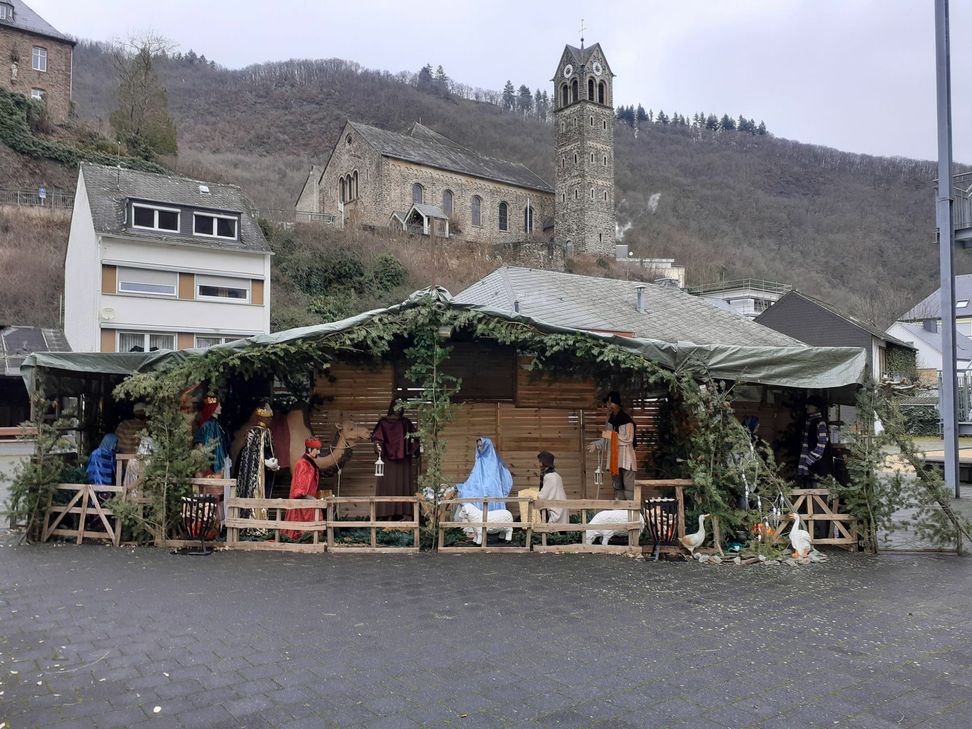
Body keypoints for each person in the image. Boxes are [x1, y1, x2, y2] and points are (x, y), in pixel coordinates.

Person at [371, 403, 419, 520]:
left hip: (402, 462)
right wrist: (378, 447)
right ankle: (388, 514)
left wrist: (414, 449)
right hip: (389, 461)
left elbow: (415, 438)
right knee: (389, 487)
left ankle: (404, 514)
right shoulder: (384, 422)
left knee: (399, 485)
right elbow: (377, 439)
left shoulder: (406, 423)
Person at [588, 391, 637, 500]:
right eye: (607, 404)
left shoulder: (626, 420)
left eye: (610, 403)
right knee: (617, 487)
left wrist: (612, 435)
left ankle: (631, 513)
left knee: (629, 488)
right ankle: (620, 512)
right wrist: (596, 445)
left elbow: (628, 439)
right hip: (614, 460)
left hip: (626, 459)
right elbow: (607, 439)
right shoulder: (610, 421)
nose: (608, 406)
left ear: (617, 404)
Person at [236, 402, 280, 500]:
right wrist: (265, 461)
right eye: (268, 418)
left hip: (265, 470)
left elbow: (268, 450)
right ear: (262, 418)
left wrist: (272, 462)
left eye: (270, 418)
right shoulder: (255, 432)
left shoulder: (267, 432)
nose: (270, 420)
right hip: (256, 472)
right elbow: (251, 454)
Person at [457, 437, 513, 511]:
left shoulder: (496, 460)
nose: (479, 448)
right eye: (478, 446)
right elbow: (474, 476)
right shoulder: (479, 460)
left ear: (487, 446)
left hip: (493, 491)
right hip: (480, 491)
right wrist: (466, 486)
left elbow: (506, 476)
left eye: (481, 446)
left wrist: (504, 492)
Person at [282, 438, 322, 541]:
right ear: (309, 449)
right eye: (316, 449)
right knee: (301, 526)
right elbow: (300, 486)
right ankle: (302, 535)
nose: (319, 452)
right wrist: (309, 497)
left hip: (309, 500)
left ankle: (310, 536)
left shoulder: (309, 463)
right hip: (303, 501)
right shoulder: (303, 464)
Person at [797, 396, 832, 485]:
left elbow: (821, 445)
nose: (806, 407)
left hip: (819, 467)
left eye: (809, 405)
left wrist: (809, 460)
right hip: (811, 468)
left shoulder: (820, 423)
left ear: (816, 407)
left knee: (819, 493)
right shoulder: (809, 422)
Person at [193, 396, 230, 477]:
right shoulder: (207, 426)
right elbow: (200, 444)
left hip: (220, 462)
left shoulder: (218, 425)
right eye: (218, 405)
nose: (220, 407)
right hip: (210, 465)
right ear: (213, 408)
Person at [537, 450, 568, 524]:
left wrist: (531, 494)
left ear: (544, 463)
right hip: (562, 508)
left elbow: (543, 496)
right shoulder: (556, 475)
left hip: (557, 511)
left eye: (540, 462)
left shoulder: (549, 477)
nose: (539, 465)